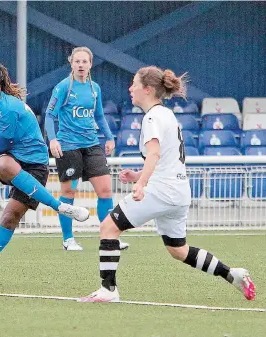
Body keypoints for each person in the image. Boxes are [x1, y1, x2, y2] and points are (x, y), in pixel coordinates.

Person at [79, 66, 255, 302]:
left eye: (134, 83)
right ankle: (231, 274)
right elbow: (165, 159)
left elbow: (154, 154)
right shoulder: (167, 115)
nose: (130, 88)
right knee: (178, 250)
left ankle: (108, 290)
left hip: (161, 191)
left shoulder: (152, 117)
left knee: (108, 228)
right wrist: (139, 175)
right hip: (179, 191)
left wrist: (141, 183)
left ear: (148, 89)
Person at [0, 61, 90, 288]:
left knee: (7, 213)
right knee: (4, 166)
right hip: (17, 160)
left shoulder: (8, 108)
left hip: (34, 166)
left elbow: (3, 143)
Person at [45, 47, 129, 251]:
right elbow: (49, 115)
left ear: (90, 64)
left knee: (106, 190)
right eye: (77, 62)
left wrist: (109, 137)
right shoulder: (63, 87)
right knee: (68, 191)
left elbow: (99, 116)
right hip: (69, 147)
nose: (81, 65)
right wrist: (53, 139)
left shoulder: (95, 89)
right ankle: (68, 239)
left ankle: (109, 237)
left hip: (92, 145)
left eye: (84, 62)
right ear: (71, 63)